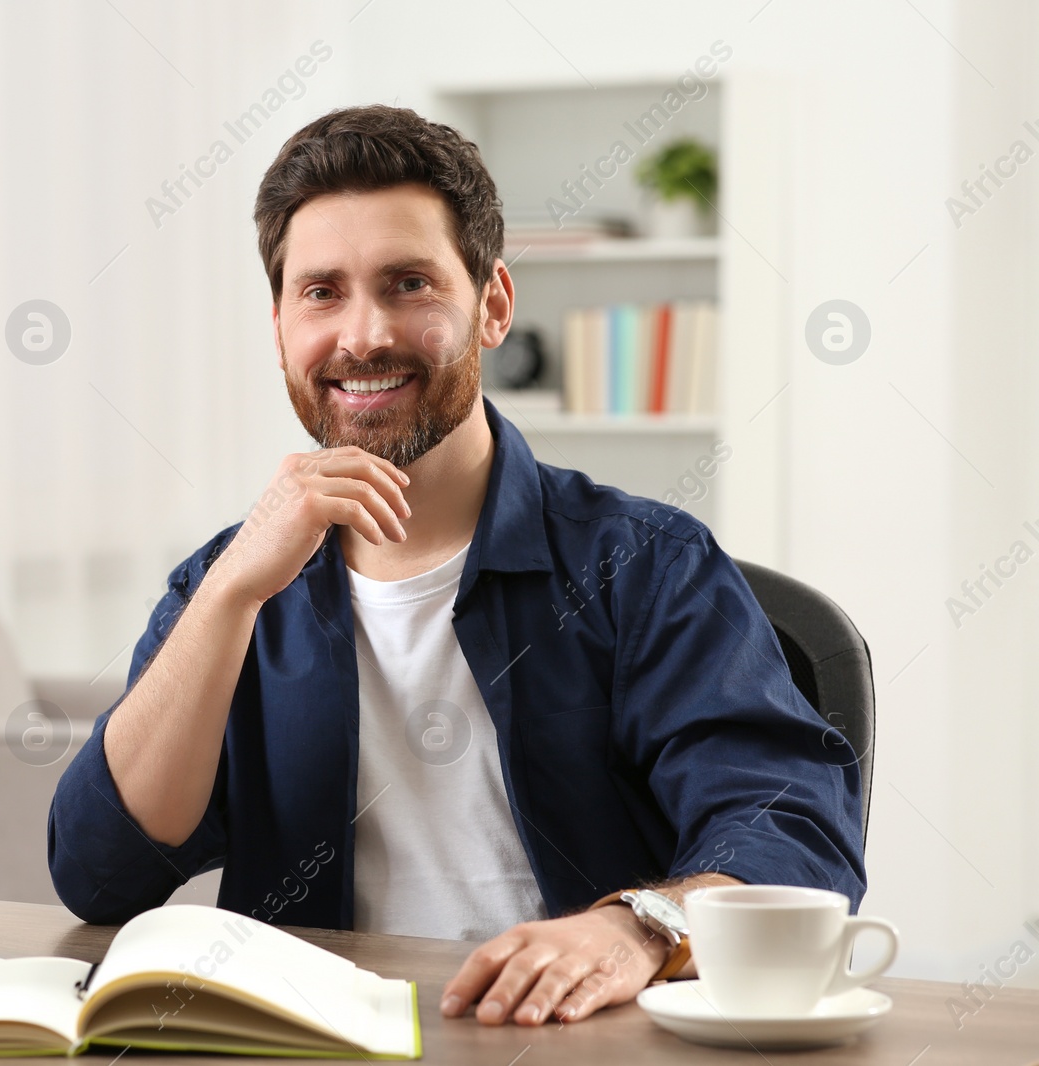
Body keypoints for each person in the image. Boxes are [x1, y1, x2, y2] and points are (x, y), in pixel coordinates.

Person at [48, 104, 864, 1026]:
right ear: (279, 324)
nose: (363, 336)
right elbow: (99, 874)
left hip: (583, 1044)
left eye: (408, 284)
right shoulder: (228, 586)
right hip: (315, 1045)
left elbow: (794, 832)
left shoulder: (646, 565)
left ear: (494, 305)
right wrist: (235, 592)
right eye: (322, 292)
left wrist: (634, 929)